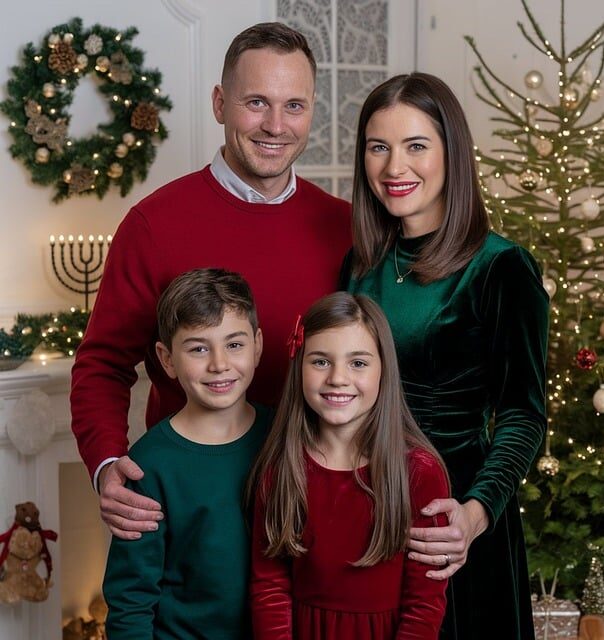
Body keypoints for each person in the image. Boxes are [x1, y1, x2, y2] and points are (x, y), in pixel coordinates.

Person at [70, 22, 351, 540]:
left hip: (316, 502)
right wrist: (107, 462)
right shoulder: (154, 224)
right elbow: (103, 364)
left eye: (294, 105)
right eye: (256, 103)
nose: (275, 125)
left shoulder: (347, 227)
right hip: (190, 505)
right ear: (220, 103)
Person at [341, 73, 549, 639]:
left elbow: (524, 414)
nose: (393, 168)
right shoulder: (361, 266)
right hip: (365, 503)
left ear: (451, 152)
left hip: (451, 519)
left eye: (415, 146)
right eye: (378, 147)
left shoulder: (501, 269)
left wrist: (475, 515)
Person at [249, 292, 450, 639]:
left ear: (383, 369)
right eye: (321, 361)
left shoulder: (419, 472)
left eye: (358, 363)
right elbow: (269, 585)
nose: (338, 378)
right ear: (300, 364)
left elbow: (425, 602)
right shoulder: (282, 467)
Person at [103, 267, 271, 639]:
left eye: (235, 344)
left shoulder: (283, 437)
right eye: (198, 348)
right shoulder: (149, 465)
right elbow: (130, 601)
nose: (219, 364)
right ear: (166, 359)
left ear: (257, 346)